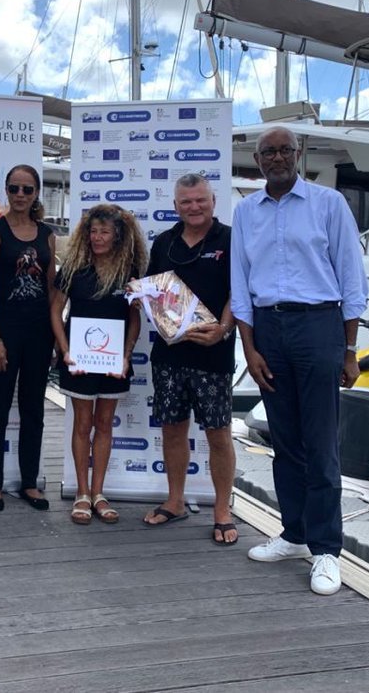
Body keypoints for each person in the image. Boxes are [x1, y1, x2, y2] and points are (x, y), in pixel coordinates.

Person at [231, 126, 368, 595]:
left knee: (321, 442)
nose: (276, 158)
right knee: (284, 439)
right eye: (267, 152)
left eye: (284, 150)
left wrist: (350, 350)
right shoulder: (246, 211)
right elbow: (241, 286)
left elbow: (351, 277)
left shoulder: (329, 205)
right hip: (268, 329)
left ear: (298, 154)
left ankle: (327, 548)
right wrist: (249, 349)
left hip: (318, 326)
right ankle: (294, 533)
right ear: (258, 158)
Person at [141, 175, 238, 545]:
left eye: (200, 200)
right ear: (175, 206)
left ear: (213, 201)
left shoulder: (230, 239)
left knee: (218, 434)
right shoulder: (164, 242)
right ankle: (175, 500)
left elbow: (239, 292)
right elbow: (154, 291)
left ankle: (222, 511)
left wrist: (223, 329)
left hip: (213, 354)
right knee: (173, 430)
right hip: (169, 355)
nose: (194, 207)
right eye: (186, 202)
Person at [50, 204, 145, 525]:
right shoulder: (75, 267)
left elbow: (135, 319)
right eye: (93, 231)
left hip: (113, 363)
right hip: (77, 360)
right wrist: (64, 350)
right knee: (82, 424)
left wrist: (127, 354)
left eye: (105, 232)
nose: (98, 237)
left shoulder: (128, 270)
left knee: (104, 425)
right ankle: (81, 492)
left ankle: (98, 493)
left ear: (117, 235)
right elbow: (55, 311)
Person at [0, 165, 56, 512]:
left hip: (39, 332)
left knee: (33, 410)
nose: (20, 195)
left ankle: (29, 481)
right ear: (7, 192)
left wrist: (57, 335)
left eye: (27, 189)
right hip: (4, 331)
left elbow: (53, 289)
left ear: (36, 192)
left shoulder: (47, 235)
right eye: (14, 189)